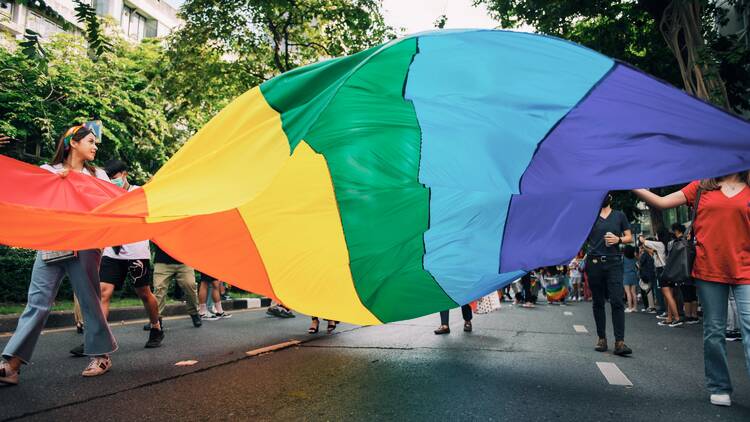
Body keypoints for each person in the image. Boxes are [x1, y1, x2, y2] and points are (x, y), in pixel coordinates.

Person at [0, 124, 118, 384]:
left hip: (85, 246)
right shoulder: (48, 172)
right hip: (51, 245)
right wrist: (57, 186)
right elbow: (22, 192)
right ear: (73, 143)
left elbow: (111, 207)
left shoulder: (98, 175)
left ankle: (101, 356)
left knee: (89, 302)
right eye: (90, 141)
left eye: (95, 142)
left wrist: (79, 188)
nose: (95, 146)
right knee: (37, 303)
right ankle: (11, 365)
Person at [633, 171, 750, 407]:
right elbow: (662, 202)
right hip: (709, 270)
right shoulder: (701, 186)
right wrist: (627, 181)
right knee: (714, 331)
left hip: (746, 271)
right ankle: (719, 386)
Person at [73, 160, 163, 353]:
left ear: (124, 174)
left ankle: (156, 327)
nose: (112, 182)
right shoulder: (105, 195)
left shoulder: (139, 193)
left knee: (144, 293)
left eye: (114, 178)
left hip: (136, 252)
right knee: (103, 293)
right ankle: (95, 339)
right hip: (112, 252)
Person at [584, 193, 633, 356]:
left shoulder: (619, 215)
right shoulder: (590, 215)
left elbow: (629, 237)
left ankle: (620, 342)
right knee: (598, 302)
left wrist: (618, 239)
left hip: (614, 263)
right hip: (594, 263)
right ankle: (601, 339)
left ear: (610, 197)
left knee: (617, 301)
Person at [149, 245, 202, 330]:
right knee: (159, 289)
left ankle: (194, 313)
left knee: (190, 285)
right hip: (162, 260)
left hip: (184, 260)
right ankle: (156, 320)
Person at [669, 223, 700, 325]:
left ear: (676, 230)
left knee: (686, 293)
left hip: (684, 270)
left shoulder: (679, 242)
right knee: (693, 293)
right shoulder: (691, 243)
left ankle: (688, 315)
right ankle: (694, 316)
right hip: (693, 269)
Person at [622, 245, 639, 313]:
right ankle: (635, 307)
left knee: (628, 292)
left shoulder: (623, 258)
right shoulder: (634, 257)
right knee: (633, 292)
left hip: (626, 275)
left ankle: (629, 307)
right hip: (634, 275)